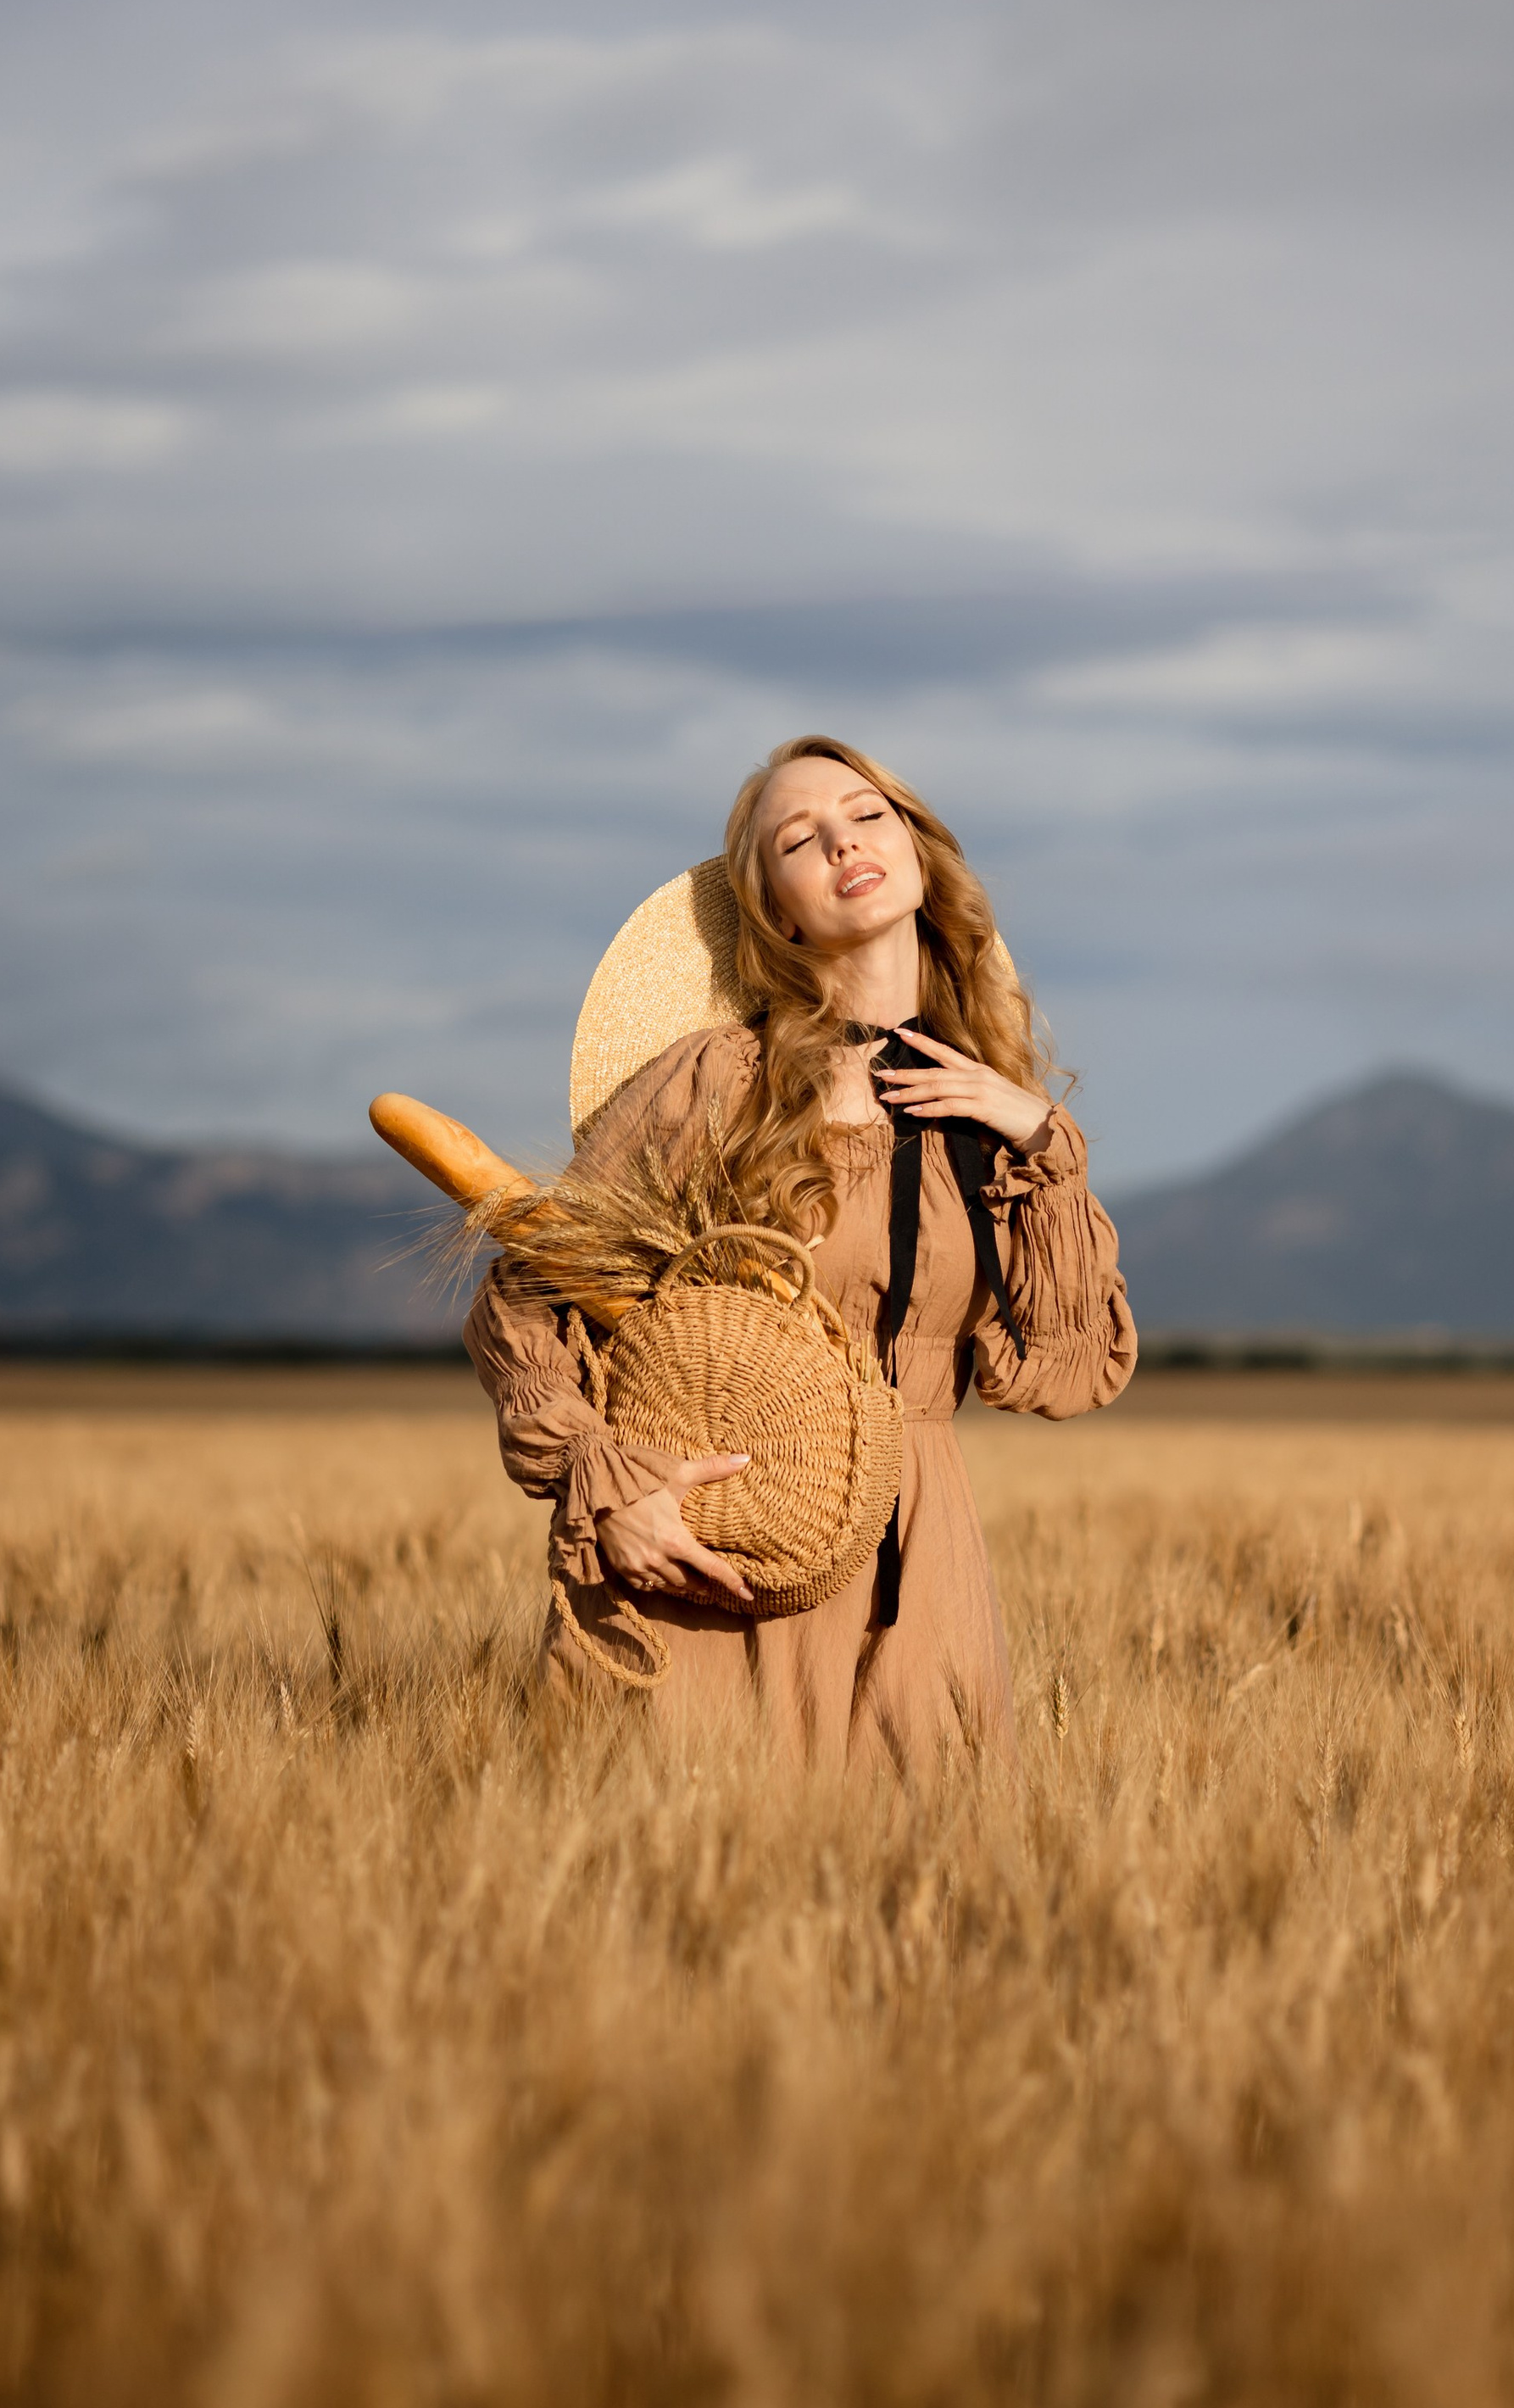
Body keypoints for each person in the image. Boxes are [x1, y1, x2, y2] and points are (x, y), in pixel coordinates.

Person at [463, 733, 1136, 1770]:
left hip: (915, 1555)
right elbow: (528, 1288)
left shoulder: (1003, 1127)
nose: (841, 843)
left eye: (867, 816)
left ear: (916, 851)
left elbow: (1063, 1368)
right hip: (707, 1536)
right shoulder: (715, 1081)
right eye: (799, 839)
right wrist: (602, 1476)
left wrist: (1045, 1142)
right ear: (776, 910)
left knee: (925, 1902)